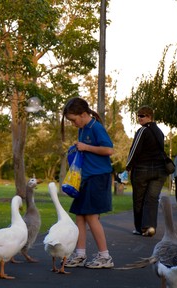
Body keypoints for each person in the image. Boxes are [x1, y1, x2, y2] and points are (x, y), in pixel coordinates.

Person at [60, 97, 114, 269]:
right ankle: (80, 254)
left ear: (83, 114)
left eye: (74, 120)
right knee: (80, 216)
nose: (73, 124)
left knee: (91, 216)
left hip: (98, 177)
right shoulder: (82, 129)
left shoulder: (95, 127)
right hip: (86, 177)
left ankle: (105, 257)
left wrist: (86, 147)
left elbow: (109, 149)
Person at [126, 106, 167, 237]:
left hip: (142, 170)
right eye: (138, 116)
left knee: (139, 199)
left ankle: (140, 228)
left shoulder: (143, 130)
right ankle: (150, 226)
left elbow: (134, 151)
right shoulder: (159, 132)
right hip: (159, 171)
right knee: (152, 199)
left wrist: (128, 166)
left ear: (149, 116)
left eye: (142, 116)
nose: (139, 118)